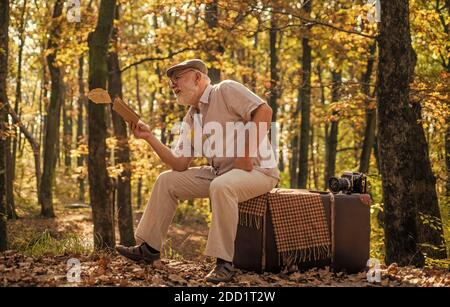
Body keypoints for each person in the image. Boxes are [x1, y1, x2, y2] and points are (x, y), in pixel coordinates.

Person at [116, 59, 280, 283]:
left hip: (259, 172)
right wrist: (149, 137)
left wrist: (246, 155)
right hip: (221, 173)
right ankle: (149, 249)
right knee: (167, 181)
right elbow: (180, 164)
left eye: (178, 78)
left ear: (197, 77)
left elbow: (264, 111)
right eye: (171, 81)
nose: (173, 84)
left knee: (221, 186)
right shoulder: (191, 118)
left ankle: (224, 263)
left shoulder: (226, 90)